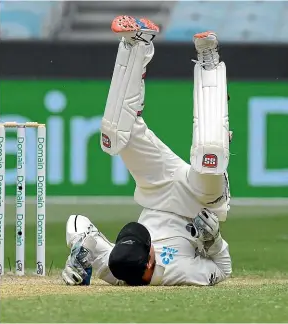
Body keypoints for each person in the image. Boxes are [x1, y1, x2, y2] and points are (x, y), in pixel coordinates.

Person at [62, 15, 232, 287]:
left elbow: (76, 221)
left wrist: (78, 253)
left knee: (114, 137)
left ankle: (137, 43)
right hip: (198, 204)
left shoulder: (113, 267)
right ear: (150, 261)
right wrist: (214, 242)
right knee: (209, 157)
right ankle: (209, 63)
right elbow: (223, 269)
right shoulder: (177, 273)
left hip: (155, 192)